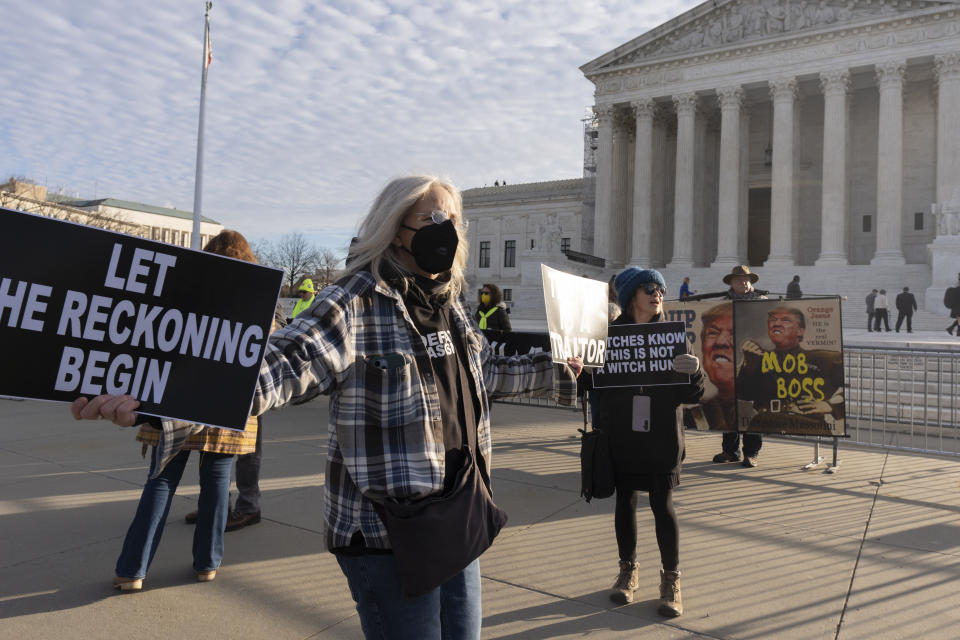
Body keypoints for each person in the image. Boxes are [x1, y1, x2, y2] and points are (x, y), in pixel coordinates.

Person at [73, 175, 583, 639]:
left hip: (460, 517)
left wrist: (564, 368)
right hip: (388, 533)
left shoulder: (449, 307)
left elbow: (487, 373)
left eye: (449, 219)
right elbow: (281, 364)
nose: (442, 230)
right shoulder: (356, 300)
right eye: (428, 219)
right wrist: (161, 402)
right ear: (394, 228)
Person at [70, 230, 262, 592]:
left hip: (174, 399)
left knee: (160, 480)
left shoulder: (186, 290)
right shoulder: (252, 296)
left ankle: (132, 569)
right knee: (217, 485)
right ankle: (207, 563)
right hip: (222, 402)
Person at [587, 267, 703, 617]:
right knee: (625, 501)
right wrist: (583, 370)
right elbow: (593, 388)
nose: (657, 294)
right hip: (622, 433)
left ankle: (671, 579)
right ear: (630, 296)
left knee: (662, 504)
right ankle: (627, 570)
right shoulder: (608, 335)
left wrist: (694, 372)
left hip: (662, 433)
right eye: (649, 288)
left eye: (661, 290)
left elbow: (690, 395)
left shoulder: (671, 335)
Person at [737, 307, 844, 436]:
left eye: (786, 321)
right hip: (765, 425)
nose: (776, 324)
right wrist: (748, 364)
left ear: (800, 331)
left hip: (809, 425)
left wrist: (830, 406)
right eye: (772, 320)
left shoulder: (824, 359)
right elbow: (743, 395)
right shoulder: (757, 358)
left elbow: (847, 389)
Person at [713, 265, 766, 467]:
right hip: (728, 361)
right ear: (731, 283)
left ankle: (751, 453)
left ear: (751, 282)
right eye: (738, 280)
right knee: (729, 407)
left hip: (753, 361)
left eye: (746, 280)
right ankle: (730, 451)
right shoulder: (723, 304)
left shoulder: (761, 303)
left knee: (751, 407)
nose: (743, 283)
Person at [684, 303, 738, 431]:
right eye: (713, 333)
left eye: (733, 334)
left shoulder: (763, 407)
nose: (720, 342)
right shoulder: (695, 414)